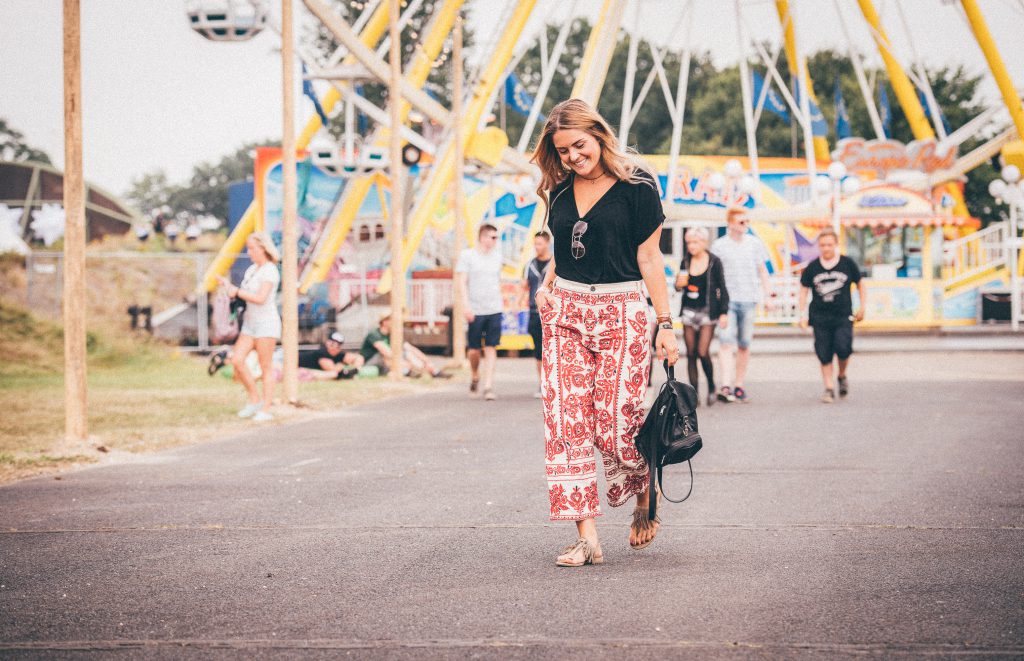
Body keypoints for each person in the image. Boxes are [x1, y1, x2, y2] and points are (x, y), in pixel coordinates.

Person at [531, 98, 679, 567]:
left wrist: (666, 324)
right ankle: (586, 538)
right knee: (565, 422)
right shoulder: (557, 191)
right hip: (565, 312)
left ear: (597, 135)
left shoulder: (638, 187)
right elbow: (568, 246)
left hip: (622, 310)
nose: (574, 156)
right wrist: (547, 283)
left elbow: (649, 257)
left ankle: (642, 488)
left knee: (617, 423)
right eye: (564, 150)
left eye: (579, 145)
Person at [216, 231, 281, 422]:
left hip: (266, 324)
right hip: (250, 323)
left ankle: (266, 408)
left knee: (265, 366)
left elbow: (261, 298)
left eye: (252, 248)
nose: (249, 252)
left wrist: (238, 291)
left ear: (262, 248)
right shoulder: (252, 270)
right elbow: (245, 294)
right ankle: (255, 398)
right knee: (237, 360)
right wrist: (231, 290)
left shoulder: (270, 270)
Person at [798, 228, 866, 403]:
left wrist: (863, 306)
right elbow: (804, 290)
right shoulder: (812, 267)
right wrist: (802, 314)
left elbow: (860, 284)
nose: (826, 248)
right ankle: (828, 388)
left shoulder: (847, 264)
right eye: (822, 245)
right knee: (824, 353)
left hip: (843, 315)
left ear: (836, 245)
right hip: (819, 317)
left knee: (843, 349)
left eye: (829, 245)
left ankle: (842, 375)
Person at [710, 207, 771, 403]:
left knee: (744, 344)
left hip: (749, 298)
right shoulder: (719, 246)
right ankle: (725, 384)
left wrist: (768, 295)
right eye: (741, 222)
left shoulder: (754, 244)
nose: (745, 225)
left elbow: (762, 271)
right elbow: (713, 275)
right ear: (730, 224)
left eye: (747, 222)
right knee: (726, 342)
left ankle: (739, 384)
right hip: (727, 301)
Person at [675, 227, 729, 406]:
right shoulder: (685, 261)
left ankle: (712, 386)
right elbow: (679, 285)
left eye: (695, 242)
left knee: (702, 351)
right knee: (690, 353)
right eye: (689, 242)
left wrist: (723, 312)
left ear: (704, 242)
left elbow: (722, 287)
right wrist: (678, 284)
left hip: (708, 311)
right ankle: (694, 393)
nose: (691, 246)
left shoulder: (714, 261)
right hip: (689, 311)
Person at [455, 224, 504, 400]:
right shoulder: (467, 256)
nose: (495, 241)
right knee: (474, 350)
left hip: (494, 308)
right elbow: (462, 282)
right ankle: (475, 374)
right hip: (475, 309)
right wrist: (466, 306)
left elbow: (497, 281)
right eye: (492, 237)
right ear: (482, 237)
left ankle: (488, 385)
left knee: (491, 347)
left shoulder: (498, 257)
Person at [359, 313, 450, 378]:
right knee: (385, 355)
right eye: (391, 320)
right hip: (370, 363)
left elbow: (410, 348)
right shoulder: (374, 334)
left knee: (407, 352)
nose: (394, 322)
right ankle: (407, 371)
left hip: (390, 362)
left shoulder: (392, 335)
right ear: (384, 322)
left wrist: (426, 361)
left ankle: (433, 370)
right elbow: (386, 352)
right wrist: (404, 363)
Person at [518, 231, 553, 398]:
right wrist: (518, 303)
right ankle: (542, 383)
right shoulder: (529, 265)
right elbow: (524, 286)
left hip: (551, 311)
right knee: (538, 349)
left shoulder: (555, 263)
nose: (537, 247)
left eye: (540, 244)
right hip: (533, 311)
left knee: (551, 348)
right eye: (535, 244)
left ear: (547, 243)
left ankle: (552, 381)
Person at [298, 331, 364, 380]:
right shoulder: (322, 353)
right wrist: (343, 365)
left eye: (338, 345)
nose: (334, 347)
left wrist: (356, 369)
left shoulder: (339, 354)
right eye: (332, 343)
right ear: (327, 342)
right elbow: (333, 371)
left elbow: (359, 358)